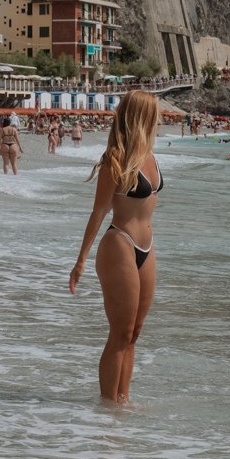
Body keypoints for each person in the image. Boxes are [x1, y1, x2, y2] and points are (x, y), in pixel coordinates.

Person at [69, 90, 162, 404]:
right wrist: (81, 260)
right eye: (154, 113)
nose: (159, 118)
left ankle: (122, 401)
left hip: (146, 247)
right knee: (120, 333)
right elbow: (98, 211)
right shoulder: (115, 158)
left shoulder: (150, 155)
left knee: (134, 333)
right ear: (142, 116)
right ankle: (108, 405)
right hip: (119, 244)